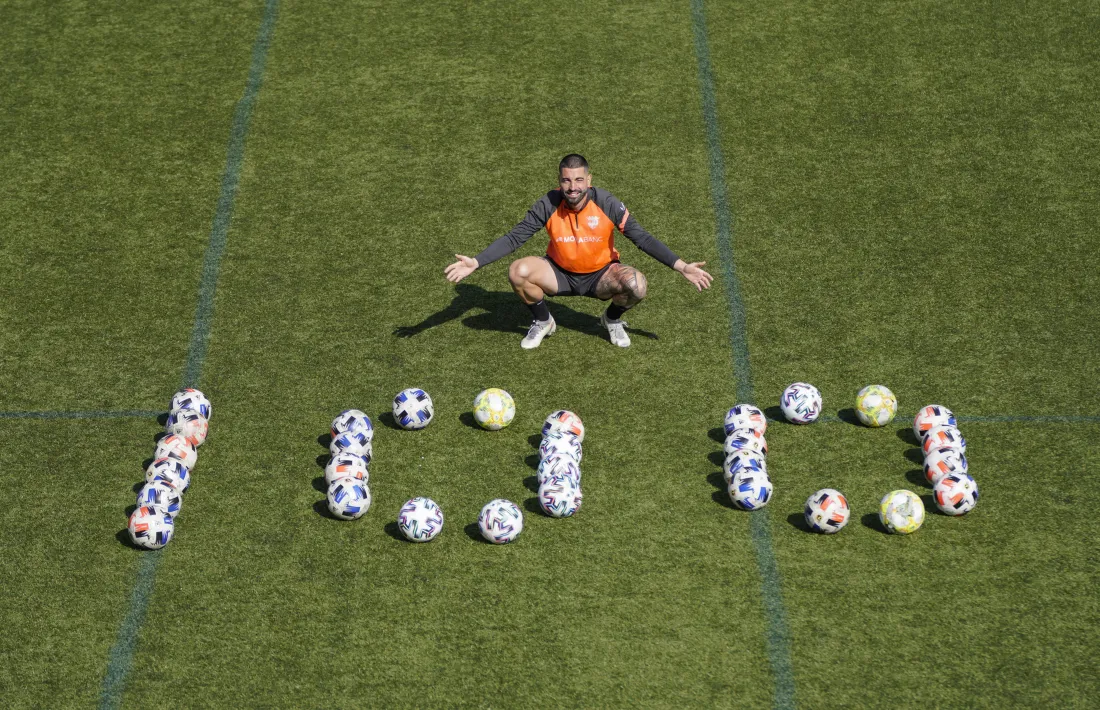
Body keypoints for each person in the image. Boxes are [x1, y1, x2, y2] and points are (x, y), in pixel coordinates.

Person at [444, 154, 713, 349]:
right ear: (559, 181)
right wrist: (476, 262)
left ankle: (611, 320)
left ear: (589, 180)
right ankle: (544, 321)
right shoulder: (548, 203)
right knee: (519, 271)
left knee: (637, 285)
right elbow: (516, 237)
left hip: (601, 275)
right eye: (566, 181)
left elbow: (640, 236)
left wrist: (681, 266)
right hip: (558, 273)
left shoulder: (606, 203)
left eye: (579, 180)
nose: (573, 187)